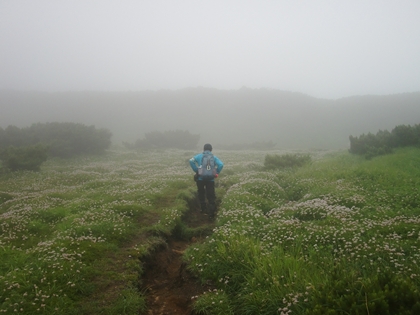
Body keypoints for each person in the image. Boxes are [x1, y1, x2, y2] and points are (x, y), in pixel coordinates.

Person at [189, 143, 224, 219]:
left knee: (201, 193)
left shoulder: (199, 156)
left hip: (200, 179)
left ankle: (203, 209)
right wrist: (216, 172)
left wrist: (197, 170)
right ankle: (211, 213)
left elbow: (191, 161)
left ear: (204, 149)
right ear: (211, 150)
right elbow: (221, 164)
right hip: (210, 179)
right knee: (211, 195)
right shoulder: (214, 157)